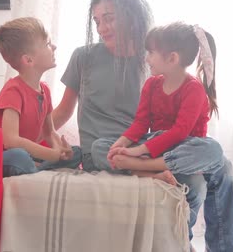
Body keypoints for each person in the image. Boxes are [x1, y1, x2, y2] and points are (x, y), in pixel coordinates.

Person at [53, 0, 233, 251]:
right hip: (108, 151)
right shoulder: (84, 57)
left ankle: (217, 246)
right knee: (101, 149)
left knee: (218, 160)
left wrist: (146, 148)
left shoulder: (154, 62)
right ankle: (182, 243)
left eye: (109, 18)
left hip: (152, 149)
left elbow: (173, 128)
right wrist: (32, 136)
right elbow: (62, 111)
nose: (102, 27)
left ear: (129, 17)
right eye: (97, 21)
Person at [93, 21, 223, 188]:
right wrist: (122, 143)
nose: (146, 58)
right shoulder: (151, 84)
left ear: (172, 58)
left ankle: (142, 167)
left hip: (181, 148)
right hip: (154, 148)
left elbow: (179, 132)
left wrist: (137, 152)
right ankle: (152, 175)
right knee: (99, 148)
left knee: (213, 149)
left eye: (151, 53)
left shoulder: (194, 89)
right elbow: (140, 123)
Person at [0, 17, 81, 177]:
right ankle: (36, 168)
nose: (54, 47)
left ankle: (35, 168)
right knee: (19, 157)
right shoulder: (13, 91)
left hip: (26, 155)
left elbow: (50, 132)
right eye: (47, 44)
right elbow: (10, 141)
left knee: (77, 152)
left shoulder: (45, 90)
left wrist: (60, 150)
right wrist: (51, 155)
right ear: (28, 60)